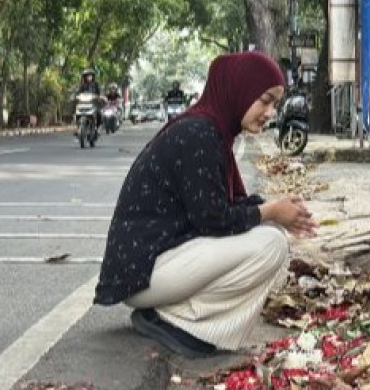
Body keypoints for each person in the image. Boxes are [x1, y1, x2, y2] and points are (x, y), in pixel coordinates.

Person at [95, 52, 317, 358]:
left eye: (275, 104)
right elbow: (214, 219)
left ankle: (175, 316)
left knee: (271, 237)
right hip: (142, 275)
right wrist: (271, 212)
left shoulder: (212, 129)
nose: (270, 112)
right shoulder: (199, 133)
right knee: (270, 245)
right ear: (240, 89)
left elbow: (226, 204)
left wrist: (277, 210)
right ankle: (174, 321)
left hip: (154, 266)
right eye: (265, 100)